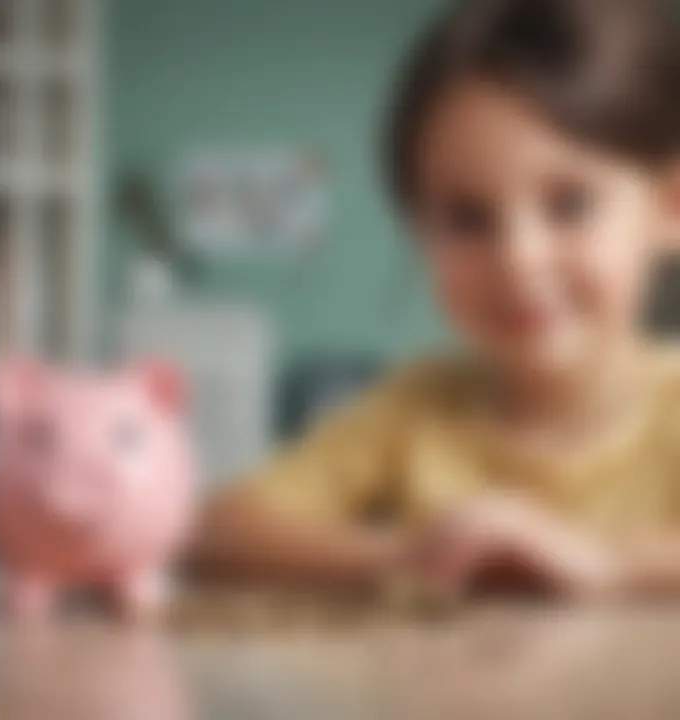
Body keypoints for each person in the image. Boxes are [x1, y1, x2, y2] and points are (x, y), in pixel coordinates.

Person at [189, 0, 680, 603]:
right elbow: (214, 531)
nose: (518, 258)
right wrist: (409, 554)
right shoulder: (411, 411)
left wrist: (602, 562)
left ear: (668, 207)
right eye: (468, 218)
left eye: (570, 204)